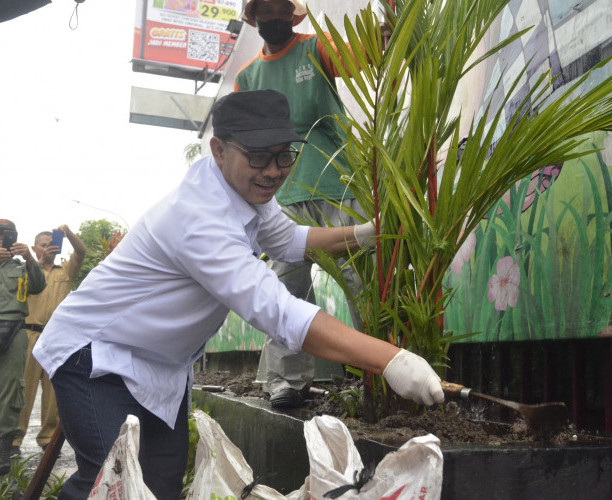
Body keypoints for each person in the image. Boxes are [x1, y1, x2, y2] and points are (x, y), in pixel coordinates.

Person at [33, 90, 443, 499]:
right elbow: (280, 312)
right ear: (218, 149)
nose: (273, 171)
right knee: (112, 486)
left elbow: (289, 240)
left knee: (157, 487)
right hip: (98, 356)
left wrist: (362, 233)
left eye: (285, 156)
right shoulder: (199, 218)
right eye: (259, 157)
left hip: (161, 367)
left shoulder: (243, 188)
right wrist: (391, 360)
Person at [236, 0, 372, 408]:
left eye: (282, 8)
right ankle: (288, 381)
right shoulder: (248, 77)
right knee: (283, 291)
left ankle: (377, 375)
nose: (275, 16)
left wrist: (381, 36)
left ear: (292, 15)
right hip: (282, 200)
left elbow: (362, 54)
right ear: (253, 16)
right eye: (267, 9)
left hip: (338, 187)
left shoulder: (317, 49)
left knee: (361, 285)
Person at [11, 225, 86, 456]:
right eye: (43, 245)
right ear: (34, 248)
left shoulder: (65, 271)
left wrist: (68, 234)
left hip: (56, 337)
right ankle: (14, 440)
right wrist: (35, 260)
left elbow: (81, 252)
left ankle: (47, 439)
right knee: (24, 389)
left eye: (51, 244)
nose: (48, 248)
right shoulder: (24, 270)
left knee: (53, 393)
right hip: (29, 334)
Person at [0, 219, 46, 475]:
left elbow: (38, 286)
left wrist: (29, 258)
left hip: (14, 330)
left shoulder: (21, 266)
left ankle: (4, 448)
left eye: (6, 236)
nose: (2, 240)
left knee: (10, 391)